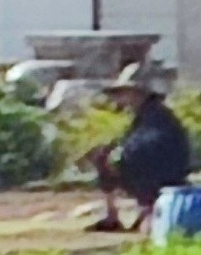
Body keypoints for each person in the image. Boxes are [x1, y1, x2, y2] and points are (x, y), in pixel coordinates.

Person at [82, 76, 193, 233]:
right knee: (103, 156)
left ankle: (147, 210)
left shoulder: (156, 116)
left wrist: (120, 154)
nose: (119, 99)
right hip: (154, 164)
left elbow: (152, 145)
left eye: (122, 94)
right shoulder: (144, 115)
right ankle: (112, 214)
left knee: (114, 160)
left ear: (136, 93)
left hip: (165, 170)